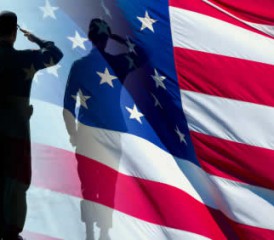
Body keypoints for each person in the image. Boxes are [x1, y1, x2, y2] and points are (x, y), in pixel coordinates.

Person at [63, 18, 143, 240]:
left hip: (86, 134)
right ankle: (104, 233)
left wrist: (73, 134)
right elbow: (142, 56)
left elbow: (68, 105)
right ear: (106, 38)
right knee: (109, 182)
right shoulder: (118, 63)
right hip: (112, 133)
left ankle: (90, 231)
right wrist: (120, 39)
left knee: (88, 183)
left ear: (89, 37)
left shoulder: (78, 66)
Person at [0, 11, 63, 240]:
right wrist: (35, 38)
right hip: (15, 139)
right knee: (15, 185)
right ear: (14, 32)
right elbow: (56, 54)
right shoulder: (24, 59)